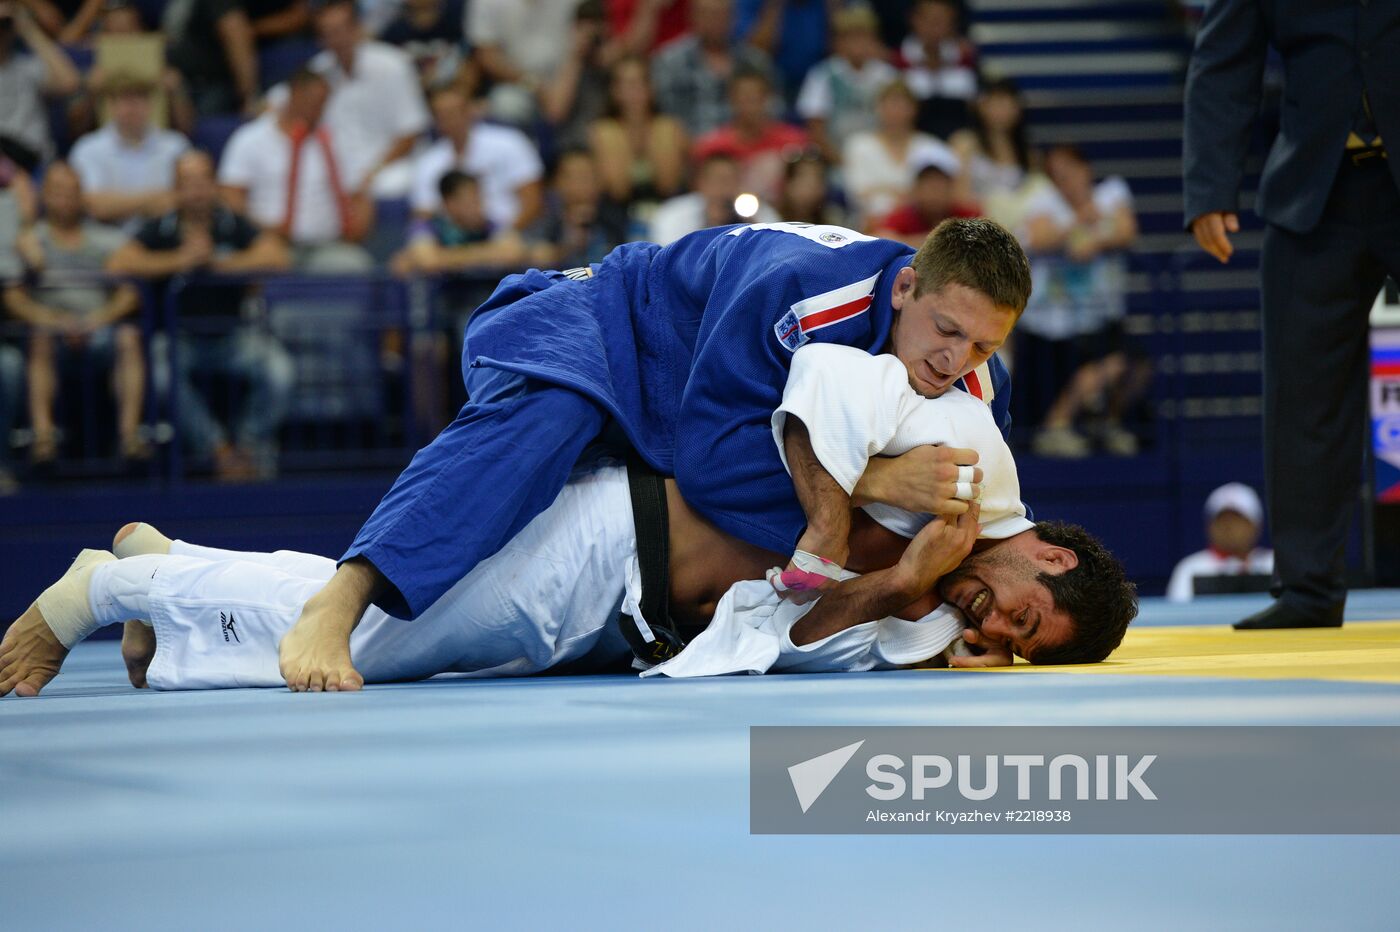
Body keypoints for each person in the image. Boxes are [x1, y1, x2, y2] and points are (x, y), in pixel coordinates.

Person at [0, 339, 1136, 696]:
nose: (991, 634)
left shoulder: (929, 621)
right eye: (1024, 618)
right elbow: (817, 383)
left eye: (1009, 649)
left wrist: (892, 587)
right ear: (1052, 549)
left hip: (615, 625)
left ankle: (168, 570)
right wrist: (865, 502)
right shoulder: (968, 452)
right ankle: (103, 587)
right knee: (374, 638)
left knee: (404, 639)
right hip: (609, 534)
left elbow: (771, 640)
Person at [275, 216, 1027, 692]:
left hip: (672, 415)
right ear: (904, 288)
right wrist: (874, 480)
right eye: (945, 329)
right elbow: (709, 467)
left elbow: (974, 531)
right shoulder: (804, 298)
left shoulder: (967, 383)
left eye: (983, 345)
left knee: (494, 568)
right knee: (544, 421)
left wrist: (964, 632)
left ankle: (171, 574)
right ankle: (341, 597)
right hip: (607, 324)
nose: (953, 359)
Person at [1182, 0, 1400, 629]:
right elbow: (1225, 59)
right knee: (1304, 395)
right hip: (1314, 190)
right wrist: (1211, 189)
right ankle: (1309, 589)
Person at [107, 150, 293, 481]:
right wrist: (181, 260)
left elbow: (277, 255)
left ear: (214, 185)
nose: (196, 190)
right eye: (187, 182)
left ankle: (247, 449)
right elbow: (119, 262)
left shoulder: (231, 223)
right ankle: (218, 450)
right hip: (180, 338)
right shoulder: (161, 227)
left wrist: (220, 265)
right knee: (162, 375)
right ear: (176, 189)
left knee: (280, 371)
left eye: (203, 180)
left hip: (233, 336)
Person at [3, 163, 146, 465]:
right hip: (51, 331)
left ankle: (129, 437)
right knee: (39, 339)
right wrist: (54, 321)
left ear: (82, 195)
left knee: (128, 337)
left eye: (71, 191)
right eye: (57, 191)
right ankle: (43, 439)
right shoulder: (30, 241)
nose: (64, 199)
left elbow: (131, 293)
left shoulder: (107, 239)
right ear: (44, 195)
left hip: (99, 328)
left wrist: (99, 319)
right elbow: (13, 299)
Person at [1017, 144, 1145, 458]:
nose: (1066, 181)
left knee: (1134, 364)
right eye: (1057, 176)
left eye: (1070, 171)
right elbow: (1040, 238)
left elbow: (1127, 231)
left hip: (1103, 312)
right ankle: (1056, 425)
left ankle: (1107, 422)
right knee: (1104, 364)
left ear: (1086, 169)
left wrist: (1097, 240)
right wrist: (1078, 221)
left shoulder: (1112, 192)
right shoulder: (1044, 202)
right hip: (1057, 319)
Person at [218, 67, 374, 271]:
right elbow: (230, 197)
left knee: (357, 266)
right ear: (294, 94)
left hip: (329, 245)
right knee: (262, 262)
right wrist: (260, 231)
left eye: (323, 102)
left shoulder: (337, 141)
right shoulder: (250, 139)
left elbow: (360, 194)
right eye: (312, 101)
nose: (318, 108)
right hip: (270, 245)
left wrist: (356, 229)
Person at [299, 0, 431, 198]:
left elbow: (411, 133)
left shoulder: (393, 65)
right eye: (328, 33)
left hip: (389, 166)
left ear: (356, 29)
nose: (337, 39)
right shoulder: (318, 71)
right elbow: (283, 103)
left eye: (341, 30)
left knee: (393, 183)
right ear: (320, 39)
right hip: (339, 168)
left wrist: (373, 171)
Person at [410, 83, 544, 232]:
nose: (450, 120)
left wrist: (503, 237)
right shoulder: (429, 163)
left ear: (469, 111)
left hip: (509, 233)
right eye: (442, 115)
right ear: (435, 122)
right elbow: (423, 215)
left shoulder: (509, 142)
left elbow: (533, 202)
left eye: (454, 112)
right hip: (453, 242)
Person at [68, 72, 191, 231]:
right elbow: (95, 206)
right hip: (107, 239)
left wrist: (118, 203)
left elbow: (187, 199)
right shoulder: (88, 148)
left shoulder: (176, 146)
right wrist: (154, 201)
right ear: (110, 105)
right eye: (126, 100)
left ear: (150, 104)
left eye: (140, 99)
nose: (133, 107)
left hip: (164, 237)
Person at [842, 79, 958, 227]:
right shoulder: (859, 145)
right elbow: (857, 194)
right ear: (878, 108)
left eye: (902, 105)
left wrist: (882, 189)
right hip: (868, 222)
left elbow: (940, 193)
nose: (895, 111)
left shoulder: (930, 146)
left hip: (918, 224)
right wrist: (905, 194)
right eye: (890, 104)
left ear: (915, 109)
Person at [651, 0, 774, 137]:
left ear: (733, 17)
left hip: (746, 146)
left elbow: (775, 109)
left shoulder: (755, 62)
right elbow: (665, 113)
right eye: (707, 14)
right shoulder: (670, 61)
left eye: (721, 14)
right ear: (692, 17)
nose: (714, 21)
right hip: (690, 146)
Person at [795, 4, 897, 167]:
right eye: (851, 37)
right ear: (839, 41)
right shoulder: (822, 75)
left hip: (880, 159)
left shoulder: (887, 77)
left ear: (874, 39)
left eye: (863, 37)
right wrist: (842, 162)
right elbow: (816, 130)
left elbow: (897, 123)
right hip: (836, 160)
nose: (858, 43)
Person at [690, 69, 808, 204]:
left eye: (755, 98)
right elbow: (701, 192)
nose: (750, 106)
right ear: (731, 100)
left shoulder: (794, 141)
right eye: (744, 98)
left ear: (768, 99)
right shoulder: (711, 146)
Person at [588, 54, 688, 209]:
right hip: (619, 212)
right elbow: (618, 190)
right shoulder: (602, 131)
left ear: (650, 88)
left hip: (665, 208)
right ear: (615, 91)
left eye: (640, 82)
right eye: (627, 84)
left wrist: (648, 131)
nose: (634, 90)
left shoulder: (670, 127)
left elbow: (668, 184)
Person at [0, 0, 82, 162]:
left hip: (29, 160)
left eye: (4, 24)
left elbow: (70, 82)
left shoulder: (28, 66)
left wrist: (27, 28)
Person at [1167, 482, 1274, 603]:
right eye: (1221, 520)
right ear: (1209, 527)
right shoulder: (1190, 568)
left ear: (1256, 526)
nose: (1228, 527)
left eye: (1237, 520)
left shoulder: (1275, 564)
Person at [525, 148, 630, 270]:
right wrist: (565, 248)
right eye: (572, 177)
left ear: (600, 181)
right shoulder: (545, 219)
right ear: (557, 182)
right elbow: (535, 255)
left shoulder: (617, 219)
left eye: (587, 176)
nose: (580, 184)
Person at [646, 151, 777, 245]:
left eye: (730, 180)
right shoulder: (674, 212)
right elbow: (666, 256)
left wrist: (752, 224)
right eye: (717, 180)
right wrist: (710, 224)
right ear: (700, 183)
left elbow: (775, 250)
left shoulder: (758, 212)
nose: (723, 188)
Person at [162, 0, 260, 117]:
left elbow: (238, 40)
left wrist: (248, 96)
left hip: (210, 87)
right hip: (176, 82)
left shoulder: (219, 3)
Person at [897, 0, 978, 140]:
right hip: (912, 138)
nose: (935, 27)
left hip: (959, 139)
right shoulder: (898, 60)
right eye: (930, 20)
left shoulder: (966, 60)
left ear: (952, 24)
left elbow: (973, 107)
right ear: (914, 20)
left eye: (941, 20)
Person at [869, 152, 978, 246]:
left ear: (951, 187)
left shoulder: (969, 214)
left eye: (940, 185)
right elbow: (880, 239)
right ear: (915, 188)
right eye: (927, 185)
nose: (934, 193)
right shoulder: (904, 215)